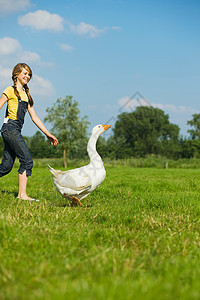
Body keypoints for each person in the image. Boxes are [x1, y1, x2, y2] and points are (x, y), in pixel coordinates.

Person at [0, 63, 58, 201]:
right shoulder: (9, 90)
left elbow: (34, 117)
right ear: (16, 75)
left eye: (29, 74)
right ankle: (22, 195)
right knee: (27, 160)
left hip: (15, 130)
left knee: (6, 166)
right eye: (25, 73)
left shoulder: (26, 95)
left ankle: (22, 194)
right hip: (10, 128)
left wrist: (47, 133)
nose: (28, 76)